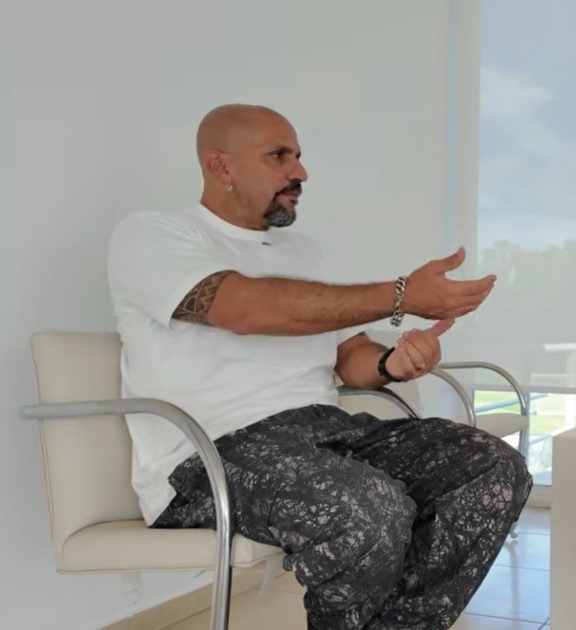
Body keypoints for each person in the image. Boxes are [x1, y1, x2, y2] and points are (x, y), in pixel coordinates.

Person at [107, 104, 532, 630]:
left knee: (492, 467)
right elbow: (243, 309)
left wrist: (392, 362)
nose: (300, 172)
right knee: (368, 508)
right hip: (210, 455)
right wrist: (402, 295)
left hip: (325, 434)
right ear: (220, 166)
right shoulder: (154, 234)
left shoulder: (304, 253)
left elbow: (349, 358)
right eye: (278, 156)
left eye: (299, 156)